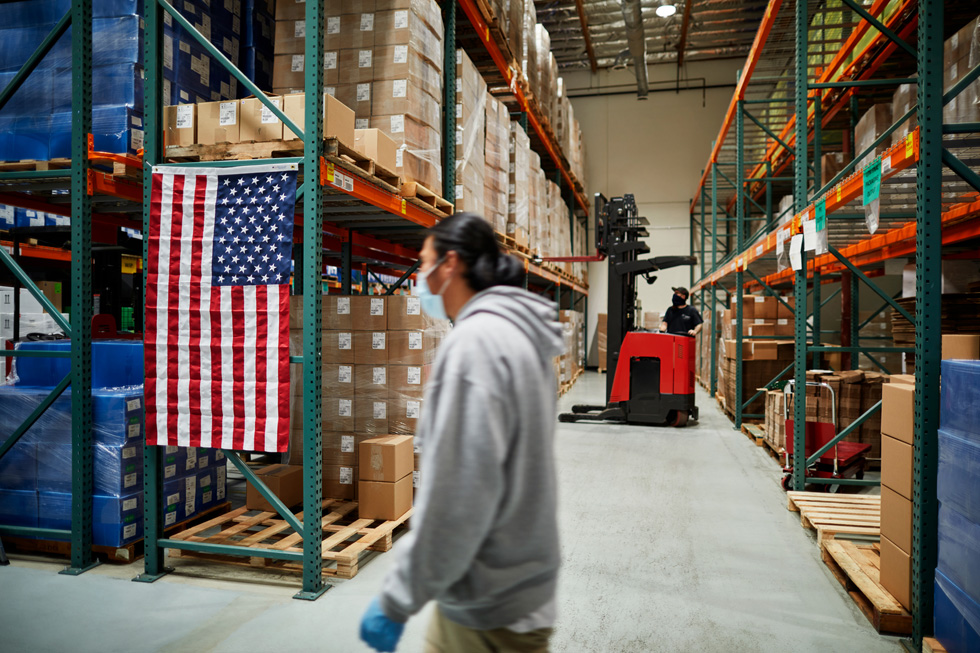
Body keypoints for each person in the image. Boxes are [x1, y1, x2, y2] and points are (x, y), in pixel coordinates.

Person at [360, 212, 564, 653]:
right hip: (528, 580)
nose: (420, 276)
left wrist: (397, 600)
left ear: (449, 264)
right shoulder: (525, 336)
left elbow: (456, 500)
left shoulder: (473, 345)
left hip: (485, 600)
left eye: (424, 262)